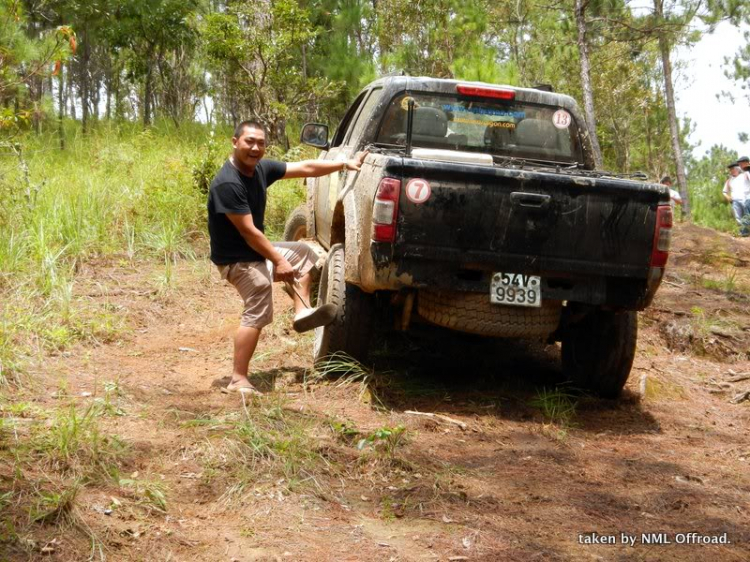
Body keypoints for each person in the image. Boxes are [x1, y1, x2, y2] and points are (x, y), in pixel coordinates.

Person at [208, 120, 368, 394]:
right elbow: (249, 233)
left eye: (260, 143)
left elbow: (305, 167)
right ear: (235, 142)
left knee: (304, 255)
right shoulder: (228, 184)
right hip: (237, 258)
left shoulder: (260, 169)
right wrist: (278, 260)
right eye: (249, 141)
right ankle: (237, 379)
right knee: (259, 297)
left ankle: (301, 311)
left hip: (253, 251)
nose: (255, 147)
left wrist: (344, 164)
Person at [722, 163, 750, 237]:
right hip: (735, 201)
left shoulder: (745, 175)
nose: (731, 171)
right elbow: (724, 191)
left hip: (746, 199)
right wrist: (728, 197)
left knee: (747, 216)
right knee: (738, 218)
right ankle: (744, 233)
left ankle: (746, 232)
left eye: (733, 169)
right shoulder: (729, 180)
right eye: (730, 170)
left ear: (738, 169)